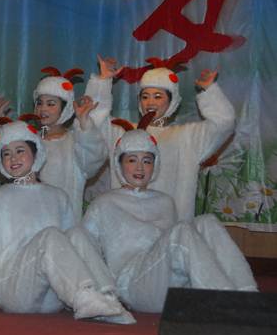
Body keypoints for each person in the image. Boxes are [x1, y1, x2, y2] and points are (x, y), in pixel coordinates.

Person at [0, 119, 132, 323]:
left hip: (53, 296)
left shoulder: (57, 196)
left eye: (20, 150)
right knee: (50, 236)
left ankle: (107, 297)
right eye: (6, 153)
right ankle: (85, 298)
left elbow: (72, 250)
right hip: (12, 288)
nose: (13, 158)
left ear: (36, 153)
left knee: (76, 234)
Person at [82, 120, 257, 313]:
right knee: (181, 231)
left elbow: (174, 252)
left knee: (207, 222)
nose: (140, 168)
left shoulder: (165, 202)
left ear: (155, 165)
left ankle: (249, 296)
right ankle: (227, 305)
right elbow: (85, 246)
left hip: (169, 281)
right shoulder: (104, 203)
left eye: (147, 161)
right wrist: (105, 291)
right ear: (119, 164)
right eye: (132, 160)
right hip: (132, 285)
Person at [86, 56, 236, 221]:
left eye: (158, 96)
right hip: (125, 228)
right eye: (145, 96)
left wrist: (210, 91)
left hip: (171, 229)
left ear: (172, 101)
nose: (150, 102)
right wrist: (103, 82)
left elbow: (224, 122)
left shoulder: (188, 136)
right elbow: (93, 121)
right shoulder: (122, 131)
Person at [0, 66, 107, 221]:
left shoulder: (76, 142)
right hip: (26, 223)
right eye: (39, 103)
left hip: (64, 225)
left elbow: (93, 159)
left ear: (65, 108)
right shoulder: (27, 140)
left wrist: (84, 123)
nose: (43, 109)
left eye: (51, 104)